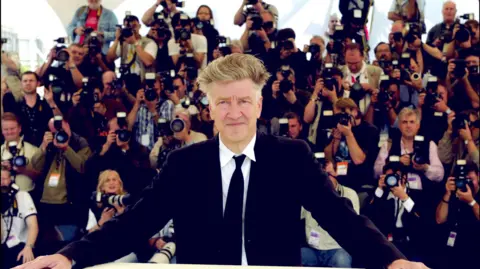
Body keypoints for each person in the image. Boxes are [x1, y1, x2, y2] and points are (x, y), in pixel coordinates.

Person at [17, 54, 428, 269]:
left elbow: (342, 218)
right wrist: (70, 256)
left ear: (259, 104)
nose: (234, 112)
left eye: (243, 101)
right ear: (209, 109)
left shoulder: (291, 157)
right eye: (224, 102)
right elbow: (134, 224)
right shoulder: (183, 164)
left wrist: (392, 259)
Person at [301, 160, 357, 267]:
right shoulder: (307, 193)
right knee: (295, 256)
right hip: (313, 248)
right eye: (320, 175)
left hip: (338, 248)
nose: (324, 179)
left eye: (328, 174)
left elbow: (354, 225)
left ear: (336, 174)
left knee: (342, 260)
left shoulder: (349, 194)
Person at [2, 72, 61, 147]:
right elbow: (6, 121)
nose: (28, 83)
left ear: (38, 83)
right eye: (25, 81)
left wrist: (51, 102)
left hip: (45, 144)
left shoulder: (46, 101)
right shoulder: (14, 102)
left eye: (31, 81)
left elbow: (60, 120)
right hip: (22, 145)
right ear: (21, 84)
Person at [1, 168, 39, 269]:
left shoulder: (23, 196)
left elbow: (33, 225)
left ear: (11, 179)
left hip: (21, 244)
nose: (2, 182)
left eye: (4, 178)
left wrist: (29, 247)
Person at [1, 113, 41, 192]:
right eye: (6, 129)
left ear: (19, 128)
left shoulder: (33, 150)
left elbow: (41, 177)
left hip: (28, 195)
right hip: (4, 196)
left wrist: (23, 170)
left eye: (12, 128)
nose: (9, 132)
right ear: (2, 131)